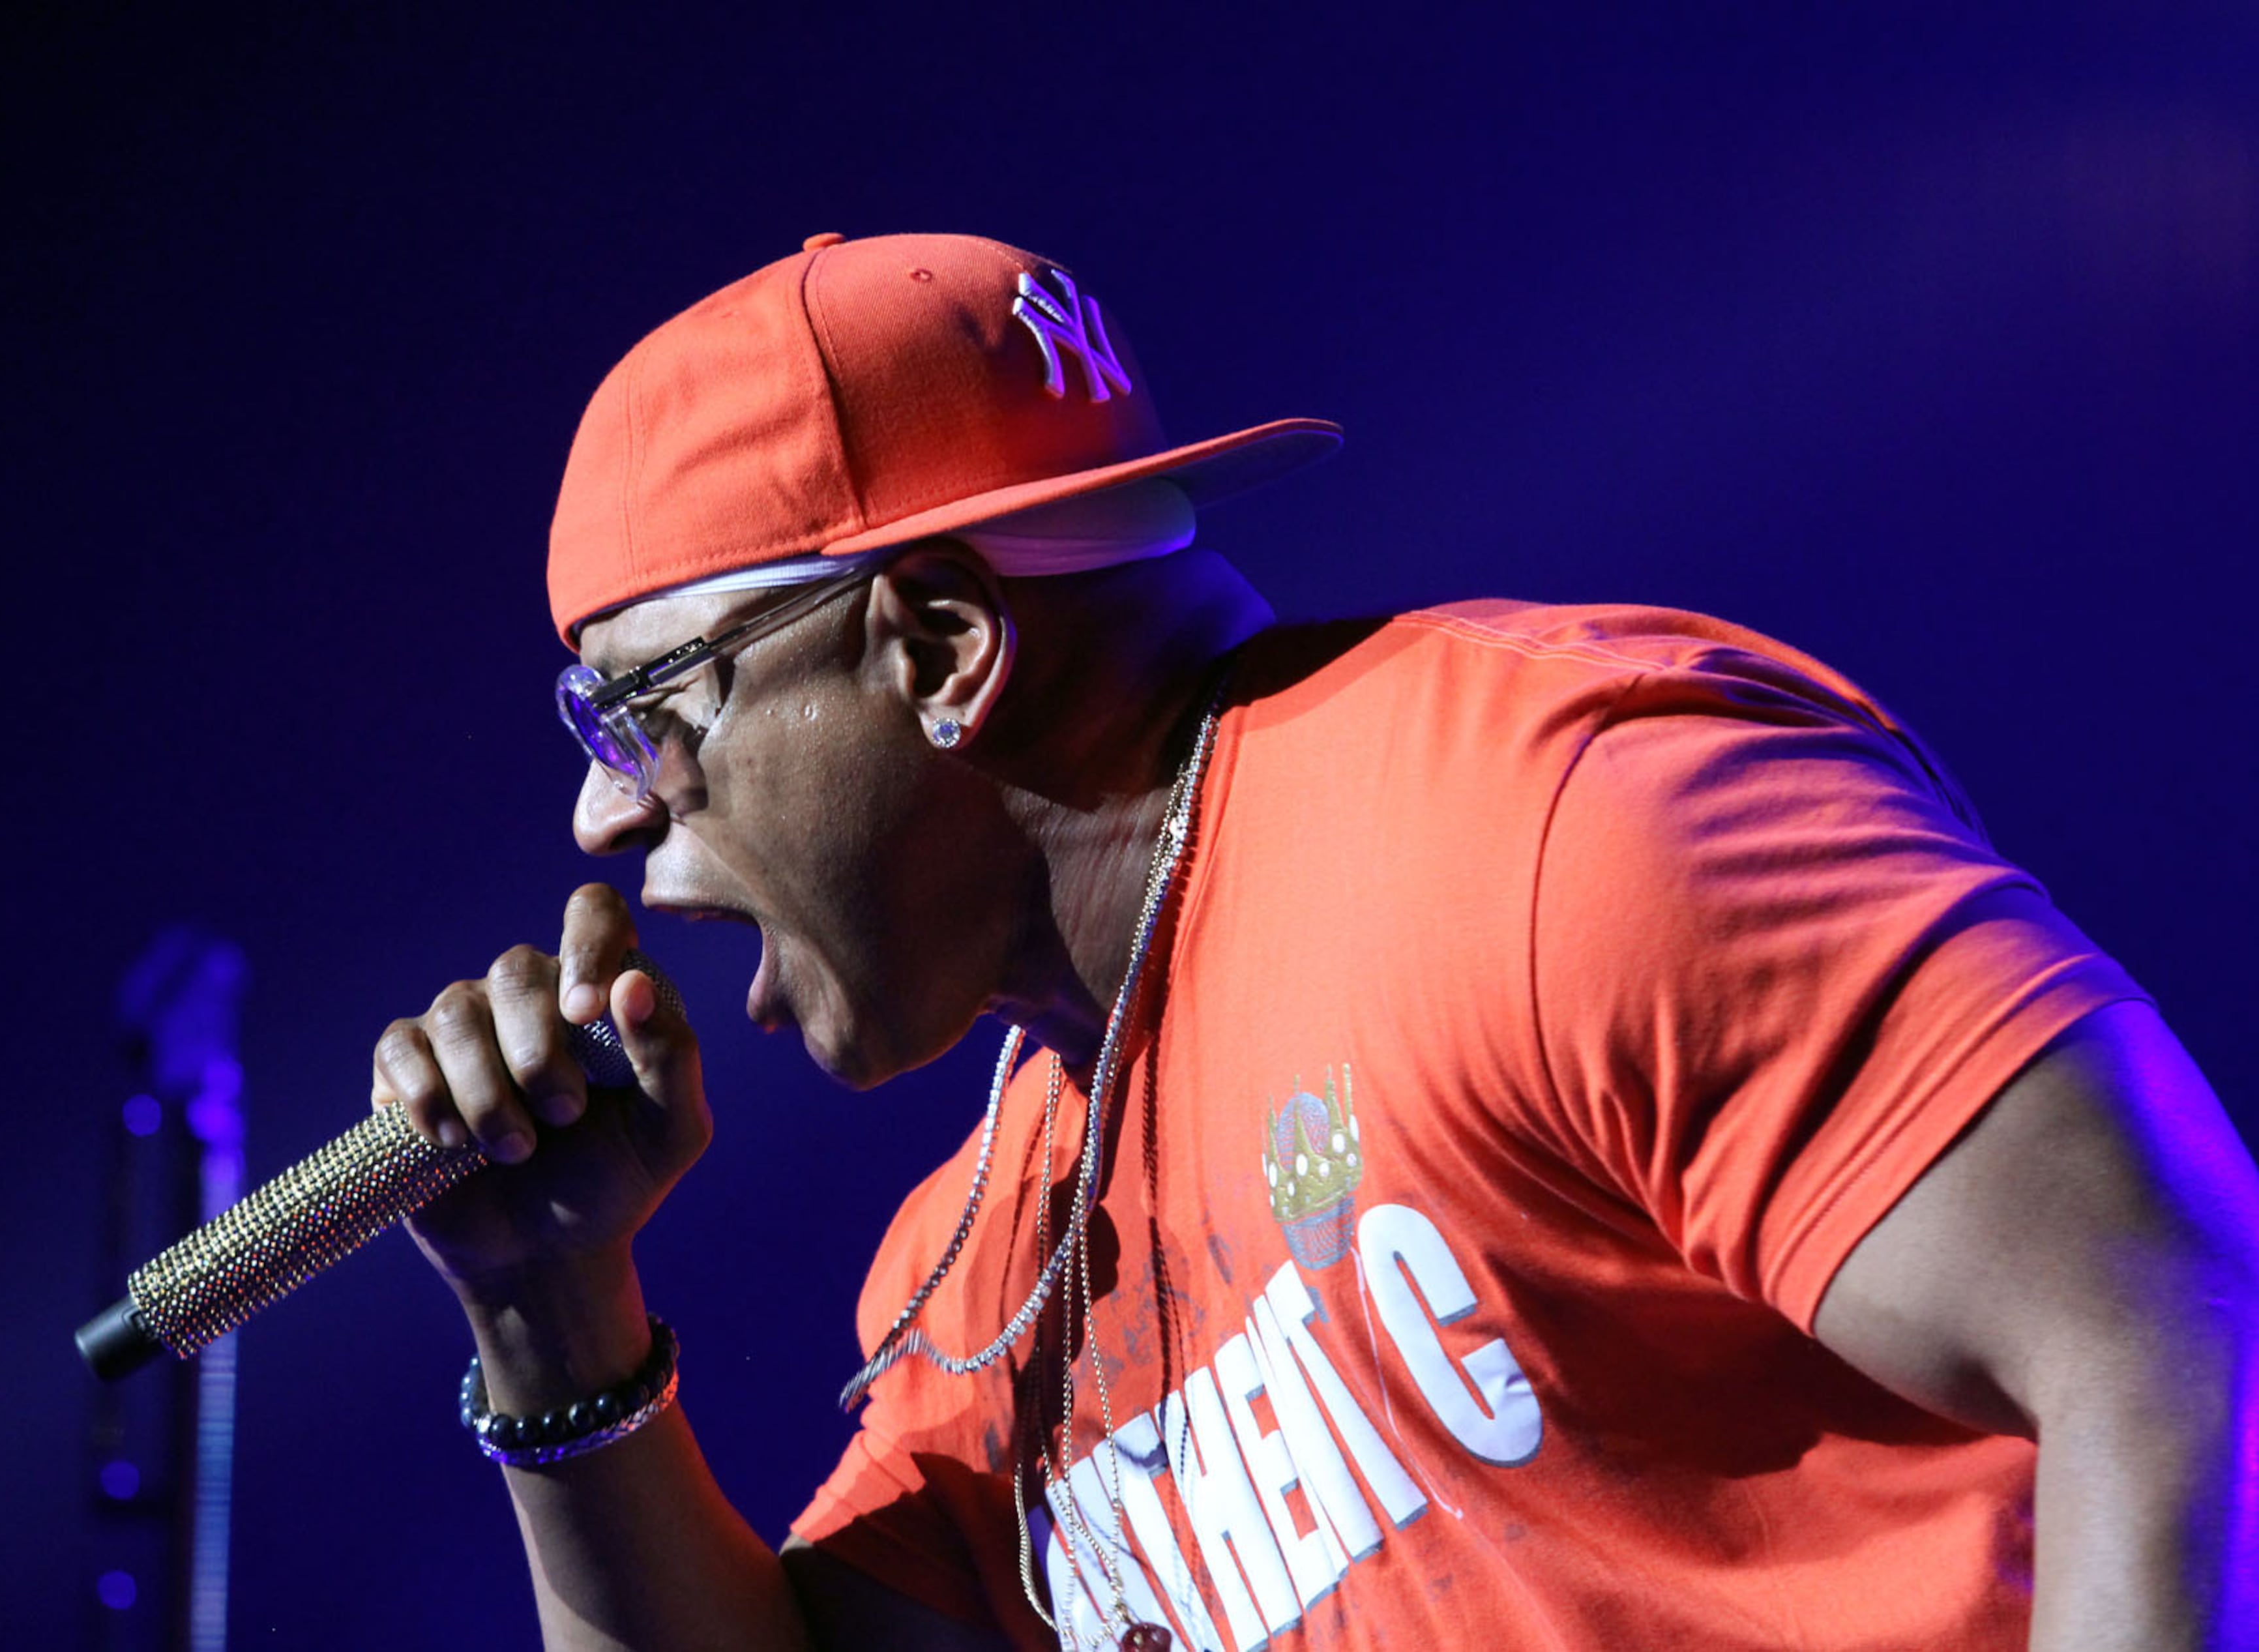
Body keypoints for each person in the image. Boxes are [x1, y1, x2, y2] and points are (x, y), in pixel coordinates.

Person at [367, 232, 2259, 1651]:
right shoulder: (982, 1276)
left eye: (655, 708)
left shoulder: (1549, 826)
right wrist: (550, 1314)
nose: (609, 813)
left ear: (939, 650)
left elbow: (2166, 1324)